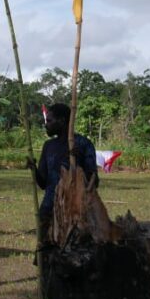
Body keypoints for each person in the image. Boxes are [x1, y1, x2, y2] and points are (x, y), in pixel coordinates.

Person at [27, 103, 98, 247]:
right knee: (46, 255)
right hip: (48, 210)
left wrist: (77, 164)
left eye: (49, 121)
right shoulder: (48, 146)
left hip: (74, 213)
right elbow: (43, 183)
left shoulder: (83, 144)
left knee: (73, 255)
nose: (46, 125)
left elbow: (93, 183)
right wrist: (33, 168)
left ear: (63, 121)